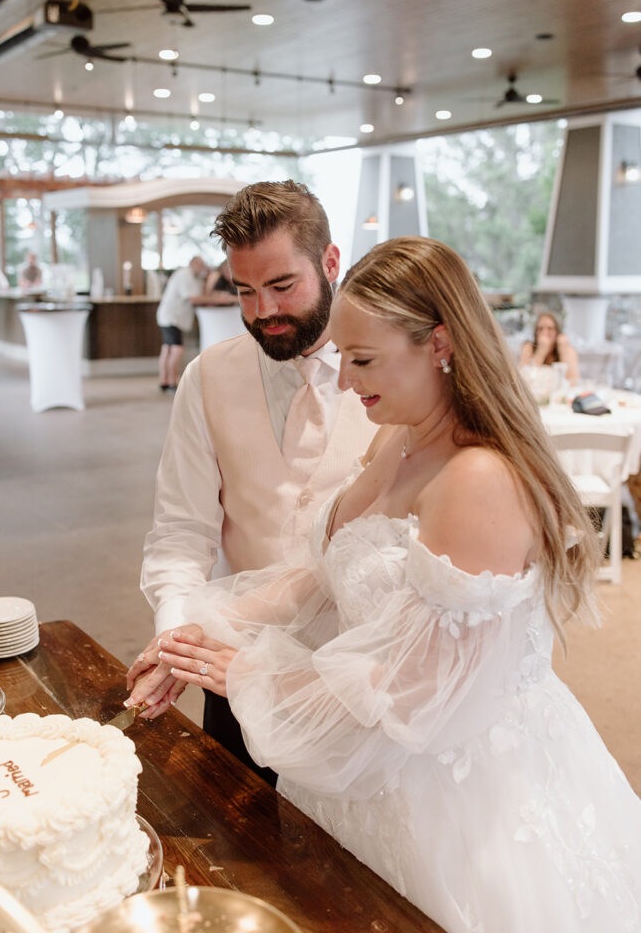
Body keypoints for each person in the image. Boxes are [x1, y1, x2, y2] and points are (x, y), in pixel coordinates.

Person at [129, 236, 641, 932]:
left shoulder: (477, 481)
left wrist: (247, 668)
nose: (344, 381)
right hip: (367, 771)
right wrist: (198, 632)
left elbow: (416, 695)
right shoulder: (396, 434)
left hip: (458, 798)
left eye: (362, 359)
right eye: (342, 355)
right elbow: (320, 573)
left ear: (440, 344)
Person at [126, 180, 376, 781]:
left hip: (352, 682)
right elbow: (180, 535)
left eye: (282, 286)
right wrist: (179, 642)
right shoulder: (207, 377)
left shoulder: (393, 373)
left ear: (331, 262)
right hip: (231, 667)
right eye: (245, 291)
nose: (262, 311)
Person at [155, 255, 209, 391]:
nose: (202, 268)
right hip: (172, 317)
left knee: (167, 349)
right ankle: (172, 383)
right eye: (200, 265)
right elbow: (192, 299)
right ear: (193, 263)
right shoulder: (185, 275)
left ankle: (164, 382)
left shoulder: (191, 277)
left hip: (169, 316)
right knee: (176, 350)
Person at [519, 310, 579, 383]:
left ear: (557, 331)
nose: (544, 332)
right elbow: (524, 379)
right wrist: (541, 351)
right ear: (535, 332)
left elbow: (573, 381)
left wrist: (563, 352)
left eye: (549, 328)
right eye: (540, 328)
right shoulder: (528, 347)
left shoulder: (568, 349)